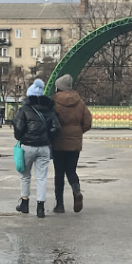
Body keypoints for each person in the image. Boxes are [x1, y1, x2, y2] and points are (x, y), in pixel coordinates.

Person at [11, 78, 61, 218]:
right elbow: (56, 127)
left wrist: (20, 136)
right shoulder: (49, 109)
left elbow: (18, 126)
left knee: (25, 176)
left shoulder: (25, 109)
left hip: (27, 146)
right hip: (44, 147)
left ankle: (25, 204)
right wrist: (48, 137)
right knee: (42, 178)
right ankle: (40, 208)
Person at [50, 74, 94, 213]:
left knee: (59, 173)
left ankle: (60, 205)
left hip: (58, 142)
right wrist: (77, 132)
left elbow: (50, 121)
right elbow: (87, 122)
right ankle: (76, 191)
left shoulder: (54, 102)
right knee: (71, 170)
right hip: (74, 144)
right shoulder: (79, 102)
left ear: (59, 87)